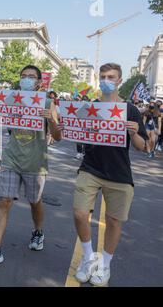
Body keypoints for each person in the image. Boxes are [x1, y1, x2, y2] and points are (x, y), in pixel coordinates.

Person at [72, 63, 148, 287]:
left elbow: (142, 146)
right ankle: (87, 258)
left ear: (119, 81)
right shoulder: (91, 107)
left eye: (111, 77)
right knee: (79, 213)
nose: (106, 79)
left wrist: (133, 133)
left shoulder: (130, 109)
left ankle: (104, 264)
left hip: (119, 173)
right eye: (103, 76)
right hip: (90, 168)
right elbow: (78, 133)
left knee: (114, 221)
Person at [0, 65, 61, 268]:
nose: (26, 79)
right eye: (23, 76)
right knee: (4, 201)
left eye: (31, 77)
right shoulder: (8, 99)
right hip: (11, 158)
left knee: (35, 202)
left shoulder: (48, 102)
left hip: (35, 162)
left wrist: (50, 119)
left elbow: (58, 137)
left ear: (39, 82)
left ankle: (38, 231)